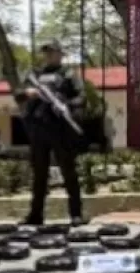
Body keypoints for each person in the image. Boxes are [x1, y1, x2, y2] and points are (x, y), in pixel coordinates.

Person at [14, 40, 86, 226]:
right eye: (46, 52)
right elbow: (18, 94)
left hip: (60, 128)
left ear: (60, 54)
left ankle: (76, 214)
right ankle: (35, 215)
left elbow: (81, 97)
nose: (48, 56)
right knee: (39, 174)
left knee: (68, 172)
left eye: (52, 52)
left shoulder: (68, 74)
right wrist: (27, 93)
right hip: (39, 129)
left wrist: (64, 103)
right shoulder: (36, 75)